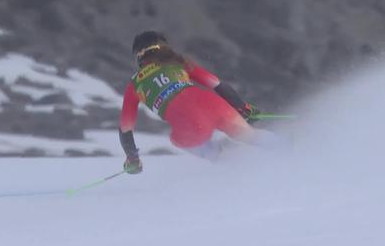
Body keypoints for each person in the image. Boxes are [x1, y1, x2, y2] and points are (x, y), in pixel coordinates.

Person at [119, 30, 282, 174]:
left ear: (139, 55)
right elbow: (218, 84)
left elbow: (125, 129)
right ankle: (291, 151)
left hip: (189, 125)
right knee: (252, 136)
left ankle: (231, 164)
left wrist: (132, 158)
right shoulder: (178, 62)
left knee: (179, 141)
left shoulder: (135, 85)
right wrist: (242, 108)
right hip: (214, 104)